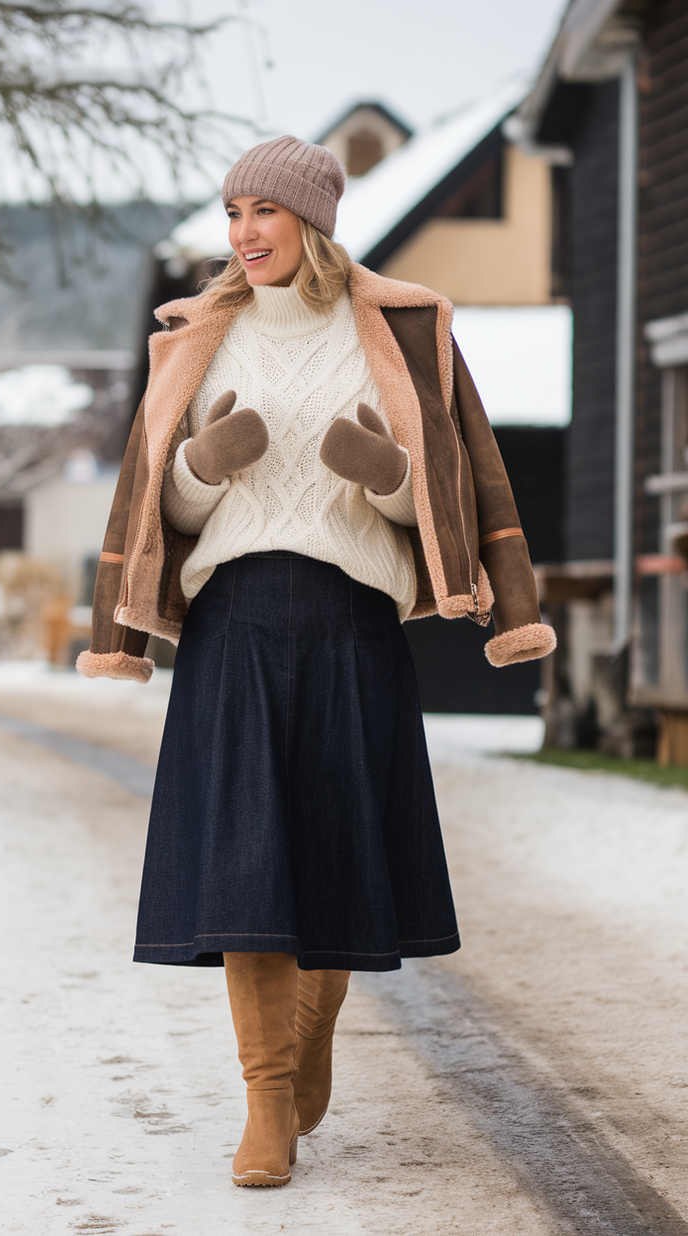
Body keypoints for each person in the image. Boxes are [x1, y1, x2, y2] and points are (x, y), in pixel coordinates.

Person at [78, 135, 556, 1188]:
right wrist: (204, 467)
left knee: (339, 860)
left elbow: (458, 483)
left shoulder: (395, 336)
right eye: (233, 211)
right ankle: (263, 1104)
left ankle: (310, 1038)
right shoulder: (197, 341)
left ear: (311, 222)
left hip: (351, 623)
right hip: (233, 624)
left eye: (265, 212)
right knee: (246, 866)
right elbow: (153, 505)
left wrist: (385, 474)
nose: (243, 233)